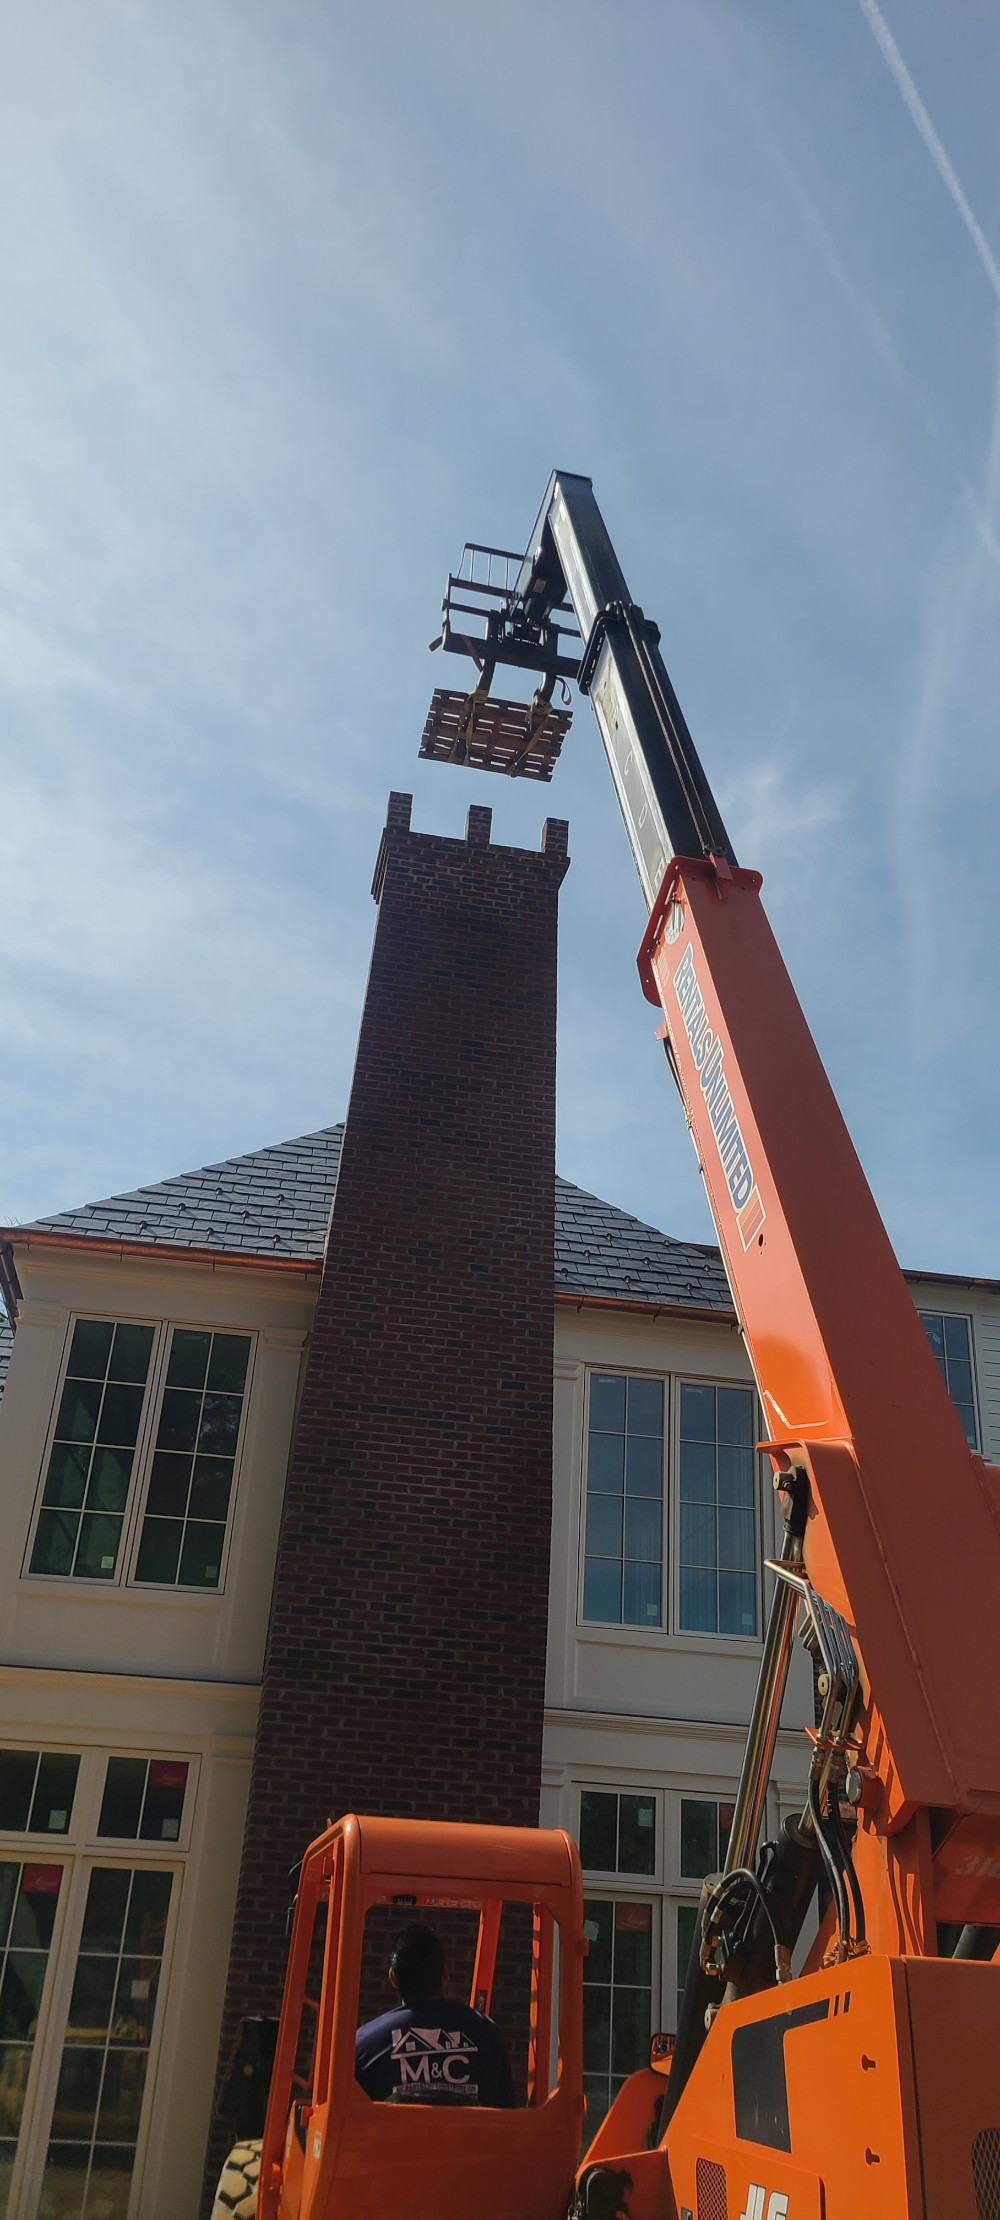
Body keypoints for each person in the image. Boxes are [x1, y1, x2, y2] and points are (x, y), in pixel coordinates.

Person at [355, 1922, 516, 2107]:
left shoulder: (365, 2046)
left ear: (393, 1978)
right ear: (445, 1973)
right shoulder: (487, 2035)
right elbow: (506, 2115)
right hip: (468, 2137)